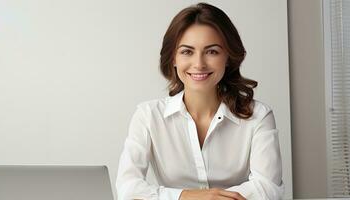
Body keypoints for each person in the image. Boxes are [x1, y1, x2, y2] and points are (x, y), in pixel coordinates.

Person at [116, 2, 284, 200]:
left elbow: (268, 187)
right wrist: (186, 197)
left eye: (212, 51)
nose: (199, 64)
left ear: (228, 57)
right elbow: (128, 189)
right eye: (187, 51)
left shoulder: (258, 116)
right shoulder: (148, 116)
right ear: (173, 59)